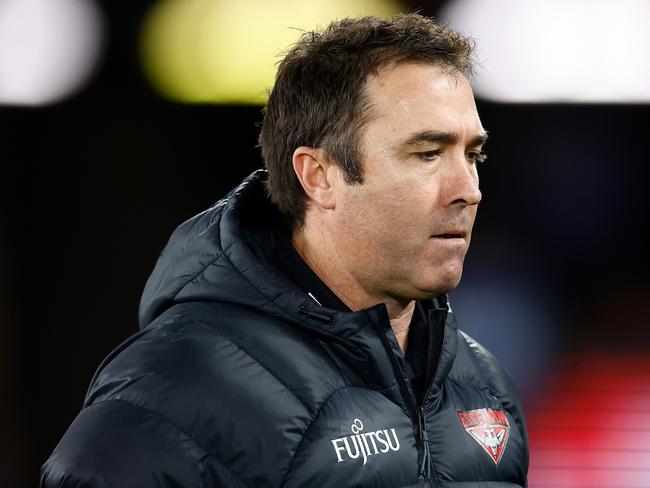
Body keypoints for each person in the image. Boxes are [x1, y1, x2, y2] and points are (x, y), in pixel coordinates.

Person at [41, 13, 529, 487]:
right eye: (427, 153)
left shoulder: (482, 382)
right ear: (319, 177)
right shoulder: (177, 389)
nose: (469, 188)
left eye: (473, 155)